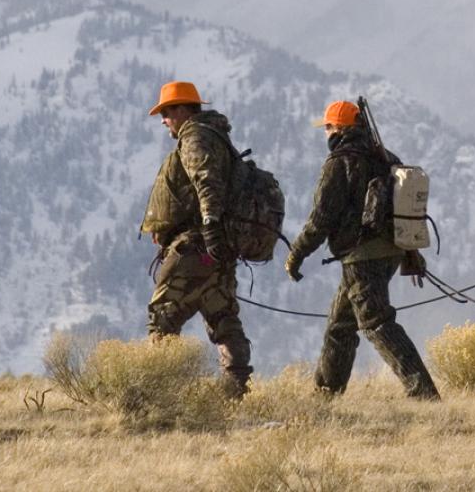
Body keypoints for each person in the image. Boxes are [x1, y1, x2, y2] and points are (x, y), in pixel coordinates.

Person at [285, 99, 440, 399]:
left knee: (376, 323)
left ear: (338, 129)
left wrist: (296, 254)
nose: (326, 133)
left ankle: (424, 394)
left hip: (361, 255)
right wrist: (411, 253)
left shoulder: (339, 163)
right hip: (391, 252)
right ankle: (326, 396)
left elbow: (321, 219)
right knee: (340, 325)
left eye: (328, 126)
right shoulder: (386, 157)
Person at [139, 80, 253, 397]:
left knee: (162, 317)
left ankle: (154, 393)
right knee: (224, 318)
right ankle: (235, 390)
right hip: (216, 248)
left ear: (183, 110)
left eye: (166, 112)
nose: (163, 120)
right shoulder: (216, 137)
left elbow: (206, 183)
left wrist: (210, 227)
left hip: (195, 247)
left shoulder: (196, 138)